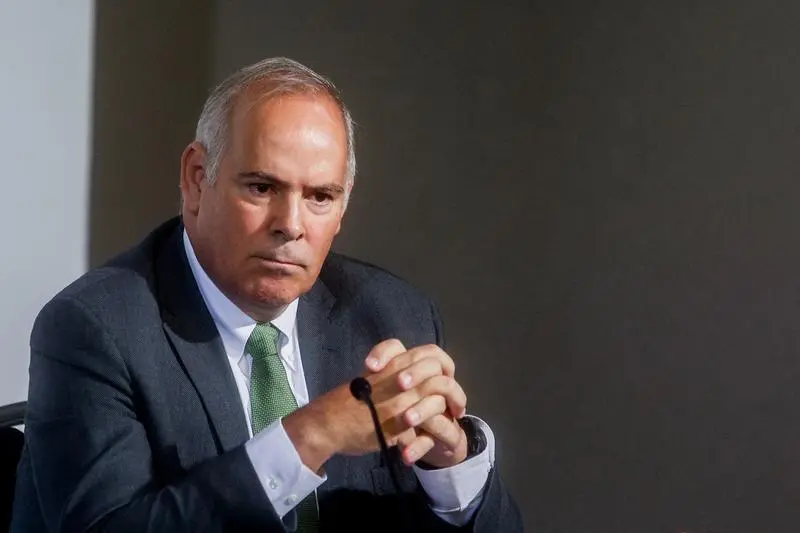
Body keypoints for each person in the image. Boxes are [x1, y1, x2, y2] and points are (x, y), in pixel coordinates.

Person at [11, 57, 522, 532]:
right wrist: (312, 435)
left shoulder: (391, 314)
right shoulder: (95, 327)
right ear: (197, 180)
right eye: (261, 188)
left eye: (320, 196)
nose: (291, 225)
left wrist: (451, 466)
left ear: (343, 206)